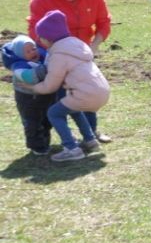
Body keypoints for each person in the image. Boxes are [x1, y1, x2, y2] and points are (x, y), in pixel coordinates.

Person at [28, 0, 113, 142]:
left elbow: (104, 23)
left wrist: (94, 46)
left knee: (85, 89)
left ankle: (91, 133)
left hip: (81, 51)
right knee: (59, 92)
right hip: (54, 50)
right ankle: (58, 137)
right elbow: (35, 27)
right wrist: (49, 54)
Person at [23, 11, 110, 162]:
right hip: (101, 91)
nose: (39, 40)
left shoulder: (58, 56)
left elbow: (50, 85)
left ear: (49, 38)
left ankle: (71, 148)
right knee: (73, 109)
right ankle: (90, 140)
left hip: (86, 94)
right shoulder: (76, 45)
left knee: (54, 113)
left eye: (41, 37)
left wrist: (33, 88)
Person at [1, 34, 59, 156]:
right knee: (32, 122)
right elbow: (30, 77)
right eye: (27, 51)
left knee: (47, 120)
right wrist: (47, 68)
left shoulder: (42, 58)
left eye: (33, 48)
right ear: (20, 54)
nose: (33, 52)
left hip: (45, 97)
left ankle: (44, 142)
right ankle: (37, 146)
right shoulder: (18, 66)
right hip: (28, 100)